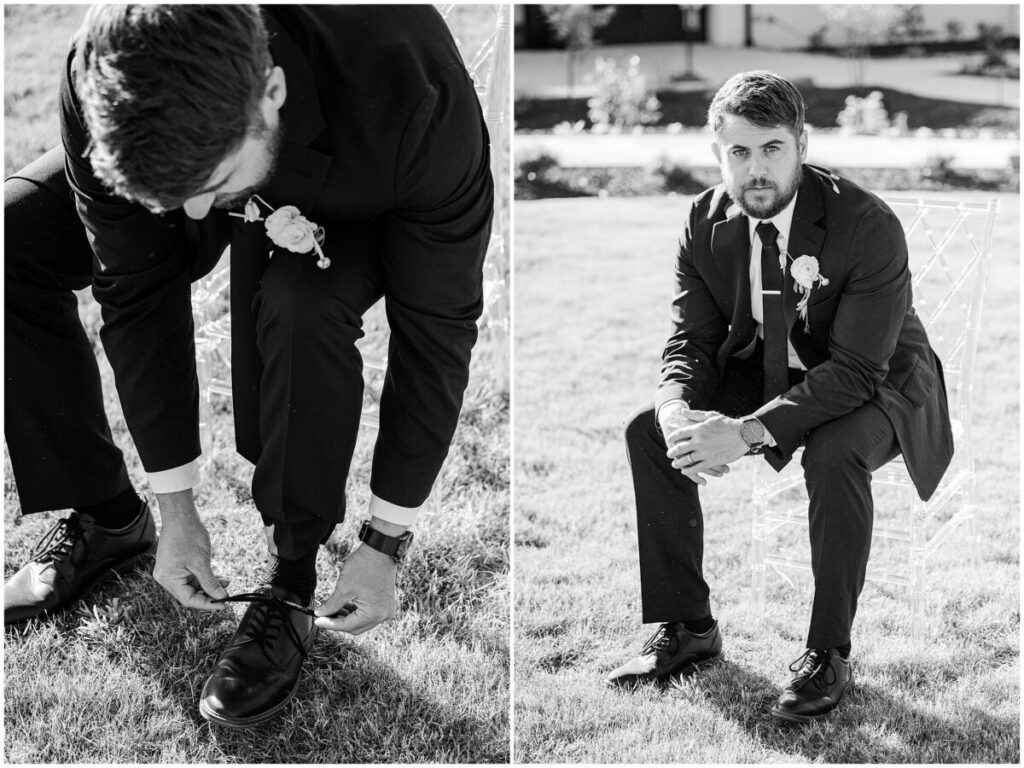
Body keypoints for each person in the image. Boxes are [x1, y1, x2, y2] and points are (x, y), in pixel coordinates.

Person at [4, 5, 493, 728]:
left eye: (210, 184)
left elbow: (438, 329)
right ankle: (113, 520)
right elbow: (136, 289)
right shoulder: (100, 68)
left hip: (355, 172)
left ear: (271, 90)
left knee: (302, 304)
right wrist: (177, 507)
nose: (195, 212)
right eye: (172, 199)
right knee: (12, 239)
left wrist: (387, 542)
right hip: (216, 144)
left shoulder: (412, 94)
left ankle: (289, 581)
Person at [608, 71, 951, 722]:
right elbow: (692, 340)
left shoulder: (867, 225)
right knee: (649, 431)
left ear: (802, 144)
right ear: (717, 152)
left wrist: (741, 433)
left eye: (771, 148)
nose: (755, 168)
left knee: (833, 448)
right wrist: (677, 408)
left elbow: (853, 371)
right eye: (738, 151)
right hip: (776, 368)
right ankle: (689, 630)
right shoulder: (703, 222)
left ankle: (828, 654)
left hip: (878, 377)